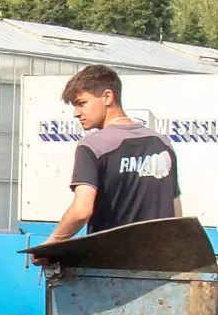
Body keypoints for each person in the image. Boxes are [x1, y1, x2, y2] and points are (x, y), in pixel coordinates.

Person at [36, 64, 182, 252]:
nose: (76, 113)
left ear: (107, 97)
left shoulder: (93, 145)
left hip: (111, 264)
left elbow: (82, 211)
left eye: (82, 103)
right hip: (161, 262)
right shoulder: (162, 143)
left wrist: (51, 243)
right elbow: (176, 212)